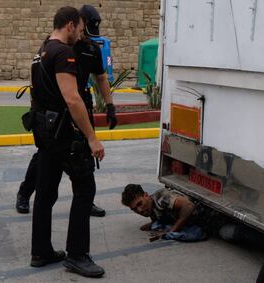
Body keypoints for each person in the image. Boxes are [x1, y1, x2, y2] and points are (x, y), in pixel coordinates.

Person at [16, 5, 117, 218]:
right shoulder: (60, 46)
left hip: (80, 106)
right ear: (76, 24)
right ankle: (25, 192)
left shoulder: (91, 50)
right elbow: (38, 77)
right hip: (59, 109)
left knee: (83, 157)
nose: (84, 35)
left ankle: (85, 200)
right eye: (83, 30)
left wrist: (109, 105)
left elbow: (101, 78)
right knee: (46, 158)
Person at [29, 6, 105, 278]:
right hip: (65, 137)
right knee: (85, 189)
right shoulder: (63, 52)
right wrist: (92, 137)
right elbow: (72, 98)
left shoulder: (41, 52)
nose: (81, 34)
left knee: (46, 193)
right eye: (81, 29)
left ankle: (40, 251)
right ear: (70, 25)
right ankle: (77, 255)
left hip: (46, 135)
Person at [121, 184, 264, 245]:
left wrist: (174, 229)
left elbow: (188, 206)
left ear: (146, 195)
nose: (139, 210)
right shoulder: (152, 210)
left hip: (214, 218)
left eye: (139, 204)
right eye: (135, 209)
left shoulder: (161, 197)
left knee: (233, 234)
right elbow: (160, 215)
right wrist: (152, 223)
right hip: (205, 225)